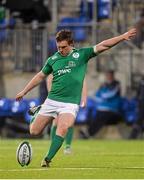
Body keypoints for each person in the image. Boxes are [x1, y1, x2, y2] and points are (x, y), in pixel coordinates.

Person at [16, 28, 136, 167]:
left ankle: (47, 160)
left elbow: (104, 45)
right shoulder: (53, 59)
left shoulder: (82, 55)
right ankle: (38, 110)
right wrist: (24, 91)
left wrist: (122, 37)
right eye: (58, 47)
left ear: (71, 44)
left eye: (64, 47)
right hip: (52, 100)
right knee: (34, 131)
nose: (61, 50)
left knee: (63, 128)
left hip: (70, 103)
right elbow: (40, 76)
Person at [87, 70, 122, 137]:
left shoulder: (116, 84)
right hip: (102, 110)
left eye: (110, 75)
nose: (108, 77)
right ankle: (88, 133)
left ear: (112, 76)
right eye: (107, 75)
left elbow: (110, 95)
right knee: (96, 115)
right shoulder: (103, 85)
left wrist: (102, 97)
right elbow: (96, 96)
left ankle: (89, 133)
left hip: (113, 112)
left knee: (102, 116)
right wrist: (102, 98)